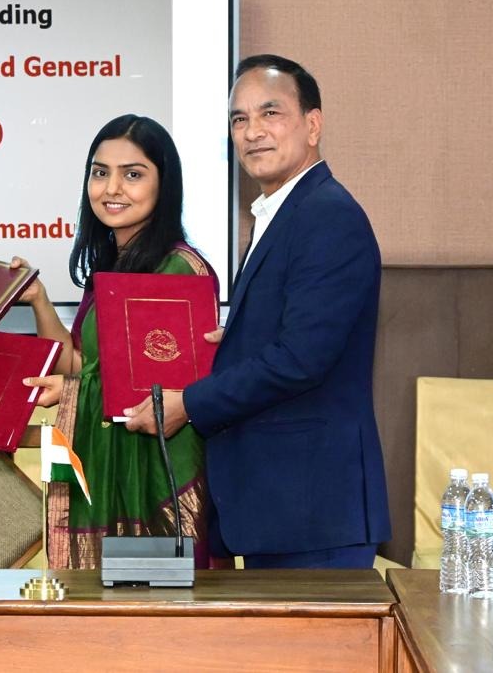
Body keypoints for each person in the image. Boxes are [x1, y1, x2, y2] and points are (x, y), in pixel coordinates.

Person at [126, 55, 390, 568]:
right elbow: (291, 332)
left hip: (314, 509)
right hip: (280, 506)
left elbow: (302, 358)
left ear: (313, 125)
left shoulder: (328, 216)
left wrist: (191, 403)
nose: (252, 132)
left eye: (270, 113)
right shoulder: (281, 213)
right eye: (239, 119)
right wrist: (236, 338)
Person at [16, 114, 218, 569]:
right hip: (113, 465)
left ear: (165, 184)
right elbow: (80, 364)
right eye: (100, 172)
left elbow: (158, 389)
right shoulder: (111, 266)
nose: (111, 188)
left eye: (132, 175)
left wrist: (72, 391)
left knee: (156, 602)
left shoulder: (177, 269)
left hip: (157, 476)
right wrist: (39, 300)